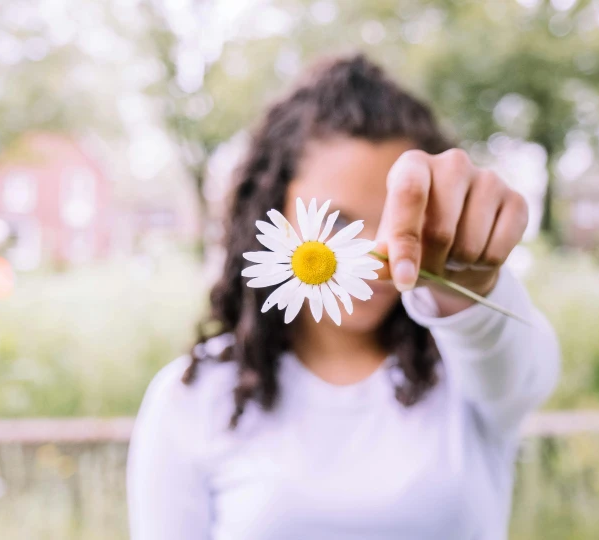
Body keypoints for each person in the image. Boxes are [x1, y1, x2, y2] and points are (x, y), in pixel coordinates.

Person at [127, 54, 560, 540]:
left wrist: (472, 284)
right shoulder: (194, 397)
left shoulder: (472, 368)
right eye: (335, 220)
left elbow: (523, 367)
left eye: (400, 218)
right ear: (273, 214)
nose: (374, 249)